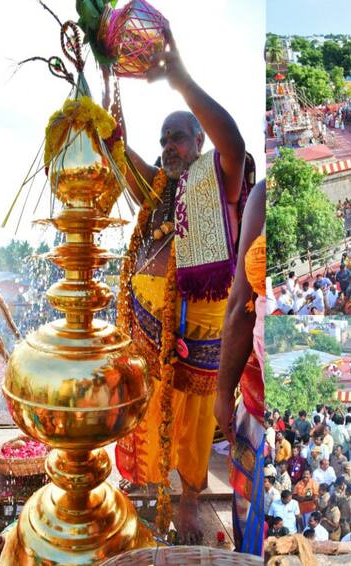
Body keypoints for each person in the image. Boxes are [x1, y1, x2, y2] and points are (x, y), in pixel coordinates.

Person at [114, 26, 251, 542]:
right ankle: (145, 488)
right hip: (149, 331)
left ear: (198, 141)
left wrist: (181, 81)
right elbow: (127, 161)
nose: (168, 146)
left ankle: (190, 500)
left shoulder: (221, 180)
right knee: (145, 412)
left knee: (193, 425)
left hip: (200, 337)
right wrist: (108, 127)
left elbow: (233, 142)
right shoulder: (162, 189)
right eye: (163, 140)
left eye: (177, 137)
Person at [214, 181, 265, 555]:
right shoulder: (262, 196)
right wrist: (223, 390)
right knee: (248, 527)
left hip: (263, 403)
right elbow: (240, 305)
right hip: (254, 403)